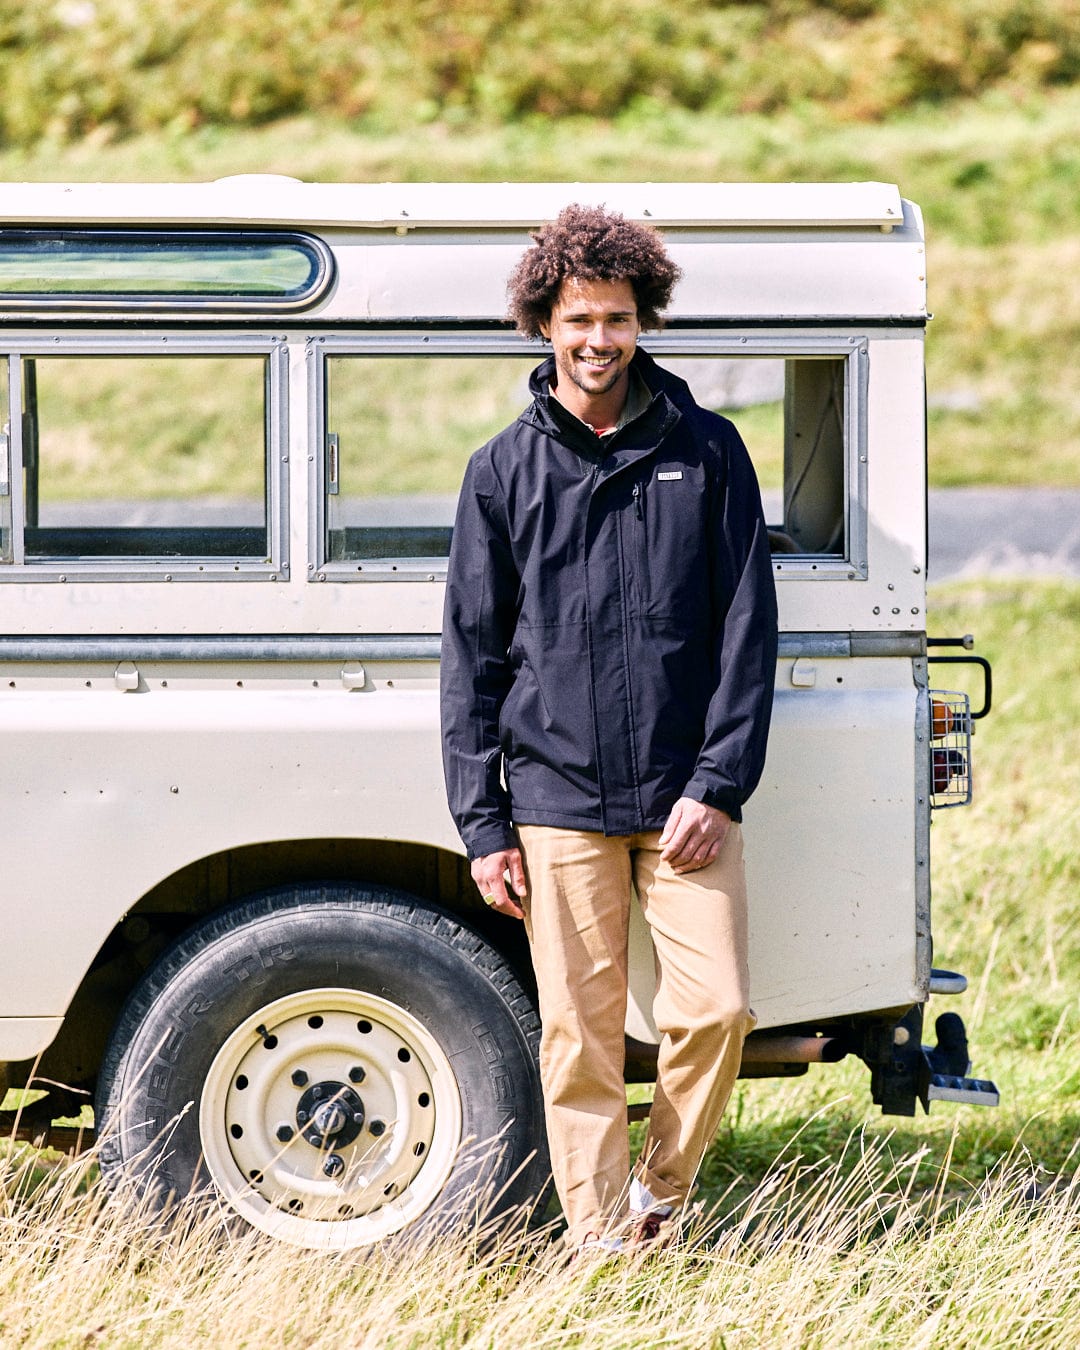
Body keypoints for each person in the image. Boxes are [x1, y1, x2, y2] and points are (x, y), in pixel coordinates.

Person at [440, 203, 778, 1253]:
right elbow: (471, 653)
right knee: (578, 1036)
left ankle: (660, 1195)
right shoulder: (501, 470)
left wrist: (718, 784)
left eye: (619, 319)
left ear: (645, 323)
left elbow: (746, 629)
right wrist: (484, 823)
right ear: (544, 322)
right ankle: (599, 1239)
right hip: (556, 800)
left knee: (717, 1008)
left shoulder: (710, 452)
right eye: (580, 318)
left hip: (686, 798)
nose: (599, 340)